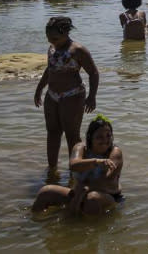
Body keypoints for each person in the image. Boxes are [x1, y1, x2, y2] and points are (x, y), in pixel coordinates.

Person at [34, 17, 99, 171]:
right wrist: (39, 89)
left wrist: (92, 96)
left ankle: (76, 172)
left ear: (66, 33)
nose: (52, 41)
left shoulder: (77, 50)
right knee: (52, 132)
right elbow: (50, 69)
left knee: (72, 136)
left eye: (55, 38)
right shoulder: (52, 49)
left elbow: (94, 73)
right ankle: (52, 170)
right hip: (52, 95)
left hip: (73, 95)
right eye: (48, 38)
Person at [32, 115, 123, 216]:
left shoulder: (115, 152)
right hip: (79, 192)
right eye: (99, 137)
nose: (105, 140)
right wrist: (96, 162)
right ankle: (34, 225)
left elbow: (107, 181)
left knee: (92, 198)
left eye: (108, 135)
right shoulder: (80, 147)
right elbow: (73, 165)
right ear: (90, 138)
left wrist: (83, 191)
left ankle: (85, 229)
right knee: (45, 192)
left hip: (107, 196)